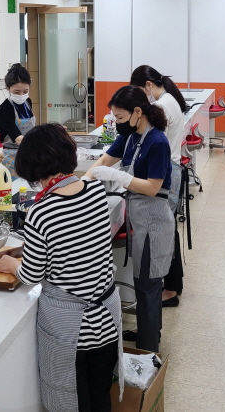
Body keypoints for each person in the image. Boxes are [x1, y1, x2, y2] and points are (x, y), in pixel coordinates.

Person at [0, 123, 123, 412]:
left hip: (71, 329)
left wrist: (13, 264)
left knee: (72, 400)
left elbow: (31, 275)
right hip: (107, 320)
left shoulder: (41, 211)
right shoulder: (95, 190)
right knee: (100, 396)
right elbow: (79, 241)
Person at [89, 85, 174, 353]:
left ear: (138, 112)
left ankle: (148, 350)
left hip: (154, 221)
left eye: (120, 117)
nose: (117, 123)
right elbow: (105, 159)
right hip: (139, 217)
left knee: (148, 285)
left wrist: (120, 177)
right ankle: (149, 333)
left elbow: (152, 187)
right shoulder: (129, 136)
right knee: (143, 282)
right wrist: (83, 182)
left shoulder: (157, 142)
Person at [130, 65, 186, 308]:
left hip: (167, 172)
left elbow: (150, 139)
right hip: (173, 168)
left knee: (163, 232)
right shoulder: (170, 99)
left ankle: (170, 290)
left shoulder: (162, 106)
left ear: (149, 85)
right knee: (168, 229)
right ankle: (173, 284)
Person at [0, 63, 35, 178]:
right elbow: (19, 139)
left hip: (30, 154)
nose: (22, 95)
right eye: (17, 92)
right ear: (8, 88)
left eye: (25, 91)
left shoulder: (27, 102)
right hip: (13, 158)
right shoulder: (4, 110)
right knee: (15, 187)